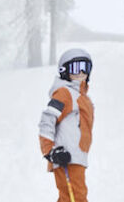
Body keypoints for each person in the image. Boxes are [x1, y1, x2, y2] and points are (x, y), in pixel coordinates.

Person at [39, 48, 94, 202]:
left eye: (85, 67)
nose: (81, 72)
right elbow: (46, 121)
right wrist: (50, 151)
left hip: (77, 157)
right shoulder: (65, 93)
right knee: (76, 197)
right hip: (65, 157)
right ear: (64, 71)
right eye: (76, 68)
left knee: (70, 198)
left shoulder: (81, 97)